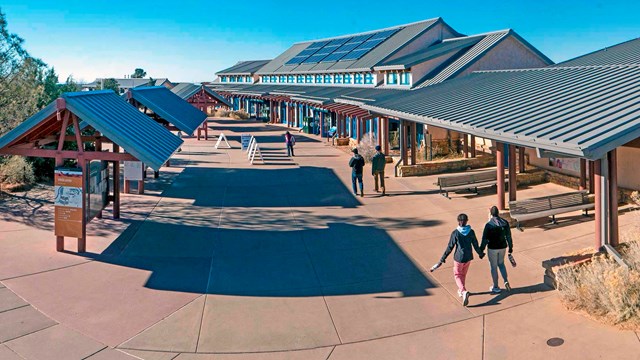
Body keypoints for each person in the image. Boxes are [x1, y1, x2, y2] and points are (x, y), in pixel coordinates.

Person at [436, 214, 484, 306]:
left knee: (457, 275)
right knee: (463, 274)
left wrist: (443, 259)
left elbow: (450, 247)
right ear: (467, 221)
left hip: (458, 258)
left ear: (458, 221)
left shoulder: (455, 233)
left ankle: (463, 291)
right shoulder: (471, 232)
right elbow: (475, 245)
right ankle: (461, 290)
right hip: (468, 257)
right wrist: (480, 254)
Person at [480, 206, 514, 293]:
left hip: (492, 248)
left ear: (491, 214)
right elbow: (509, 237)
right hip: (503, 247)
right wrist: (510, 247)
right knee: (501, 264)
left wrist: (481, 250)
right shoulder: (505, 223)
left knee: (493, 267)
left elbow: (484, 239)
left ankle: (495, 286)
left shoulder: (489, 225)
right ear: (498, 213)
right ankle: (506, 280)